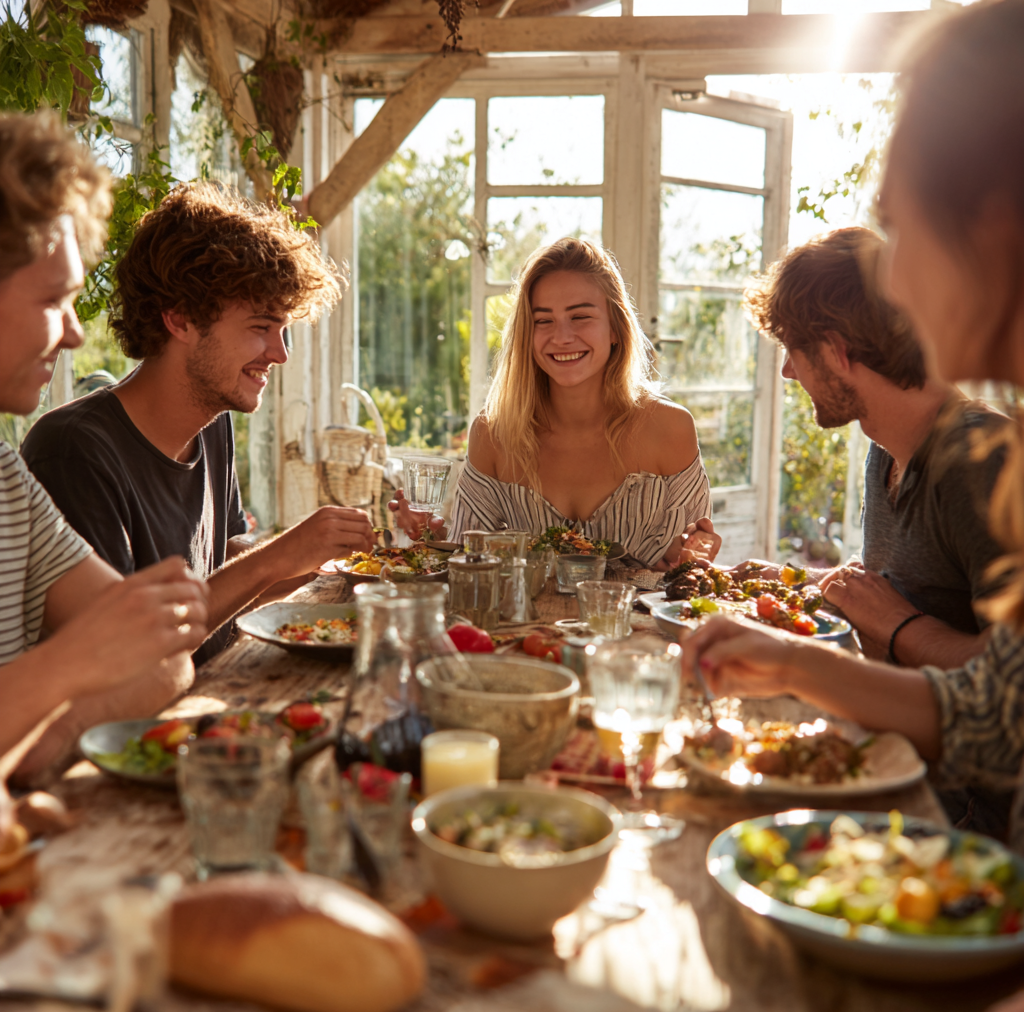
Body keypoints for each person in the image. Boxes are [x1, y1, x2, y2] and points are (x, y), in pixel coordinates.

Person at [684, 0, 1024, 850]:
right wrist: (795, 643)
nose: (895, 281)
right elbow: (999, 705)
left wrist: (885, 630)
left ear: (996, 223)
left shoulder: (987, 463)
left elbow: (992, 710)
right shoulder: (888, 454)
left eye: (904, 227)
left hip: (956, 827)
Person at [21, 182, 376, 664]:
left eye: (284, 330)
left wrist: (333, 559)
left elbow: (222, 576)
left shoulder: (212, 424)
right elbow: (118, 654)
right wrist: (276, 558)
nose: (280, 353)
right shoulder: (72, 451)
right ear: (181, 319)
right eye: (261, 327)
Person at [0, 111, 209, 817]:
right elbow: (113, 646)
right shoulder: (66, 448)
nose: (74, 332)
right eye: (53, 299)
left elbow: (163, 655)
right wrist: (70, 664)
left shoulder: (6, 477)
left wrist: (36, 745)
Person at [741, 227, 1007, 670]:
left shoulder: (983, 464)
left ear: (835, 350)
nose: (788, 371)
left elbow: (1012, 676)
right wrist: (784, 579)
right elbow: (888, 592)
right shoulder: (885, 449)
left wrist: (897, 626)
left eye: (792, 349)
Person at [390, 238, 721, 569]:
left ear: (615, 329)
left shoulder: (670, 429)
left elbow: (690, 568)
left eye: (580, 316)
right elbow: (469, 563)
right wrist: (427, 534)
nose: (561, 337)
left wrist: (690, 554)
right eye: (543, 320)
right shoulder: (492, 434)